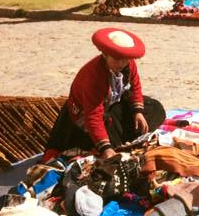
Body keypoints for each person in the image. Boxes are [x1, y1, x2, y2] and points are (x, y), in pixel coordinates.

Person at [44, 27, 166, 161]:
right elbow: (93, 116)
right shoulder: (93, 77)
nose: (121, 63)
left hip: (112, 106)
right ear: (104, 54)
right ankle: (113, 143)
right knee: (109, 143)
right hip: (86, 114)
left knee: (155, 108)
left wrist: (138, 112)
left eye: (125, 59)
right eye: (116, 59)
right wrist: (106, 148)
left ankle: (125, 137)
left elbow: (135, 87)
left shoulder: (129, 65)